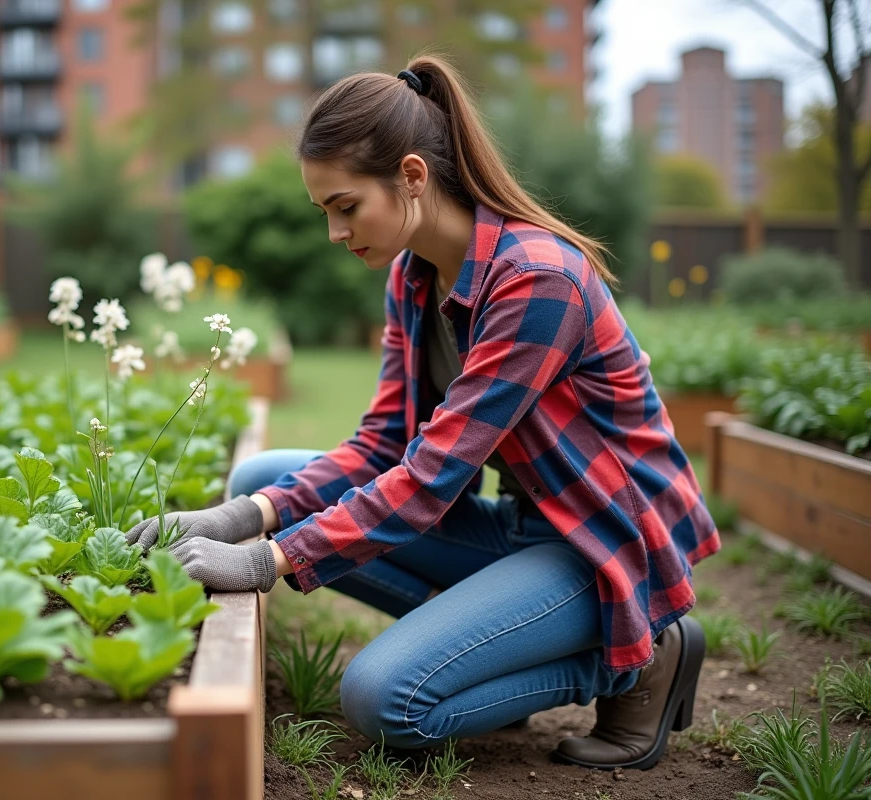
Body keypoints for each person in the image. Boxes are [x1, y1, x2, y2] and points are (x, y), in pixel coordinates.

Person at [124, 53, 719, 771]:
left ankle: (636, 655)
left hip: (605, 545)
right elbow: (383, 445)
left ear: (411, 176)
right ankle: (493, 650)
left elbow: (433, 475)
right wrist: (236, 518)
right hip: (527, 529)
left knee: (383, 699)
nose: (336, 232)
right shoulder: (414, 274)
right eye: (325, 213)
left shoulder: (537, 279)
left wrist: (268, 557)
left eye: (346, 207)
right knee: (263, 474)